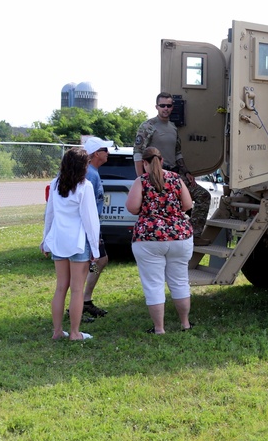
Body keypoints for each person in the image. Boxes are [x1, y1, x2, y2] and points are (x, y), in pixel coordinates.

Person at [126, 146, 195, 334]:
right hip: (179, 236)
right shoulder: (175, 179)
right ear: (162, 160)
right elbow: (187, 205)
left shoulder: (141, 181)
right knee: (180, 281)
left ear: (144, 163)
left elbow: (132, 208)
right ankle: (185, 324)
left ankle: (159, 328)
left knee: (154, 284)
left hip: (149, 238)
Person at [134, 92, 212, 239]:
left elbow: (178, 153)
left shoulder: (173, 128)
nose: (165, 108)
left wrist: (186, 172)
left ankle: (193, 235)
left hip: (174, 174)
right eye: (162, 105)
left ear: (172, 107)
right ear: (156, 107)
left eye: (169, 105)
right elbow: (138, 153)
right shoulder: (148, 126)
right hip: (155, 176)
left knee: (203, 196)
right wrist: (142, 179)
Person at [41, 147, 100, 341]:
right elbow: (90, 220)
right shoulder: (85, 186)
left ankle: (57, 331)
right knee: (76, 289)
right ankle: (75, 333)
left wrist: (45, 240)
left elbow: (49, 214)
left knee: (60, 288)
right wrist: (95, 249)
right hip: (78, 243)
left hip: (58, 241)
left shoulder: (55, 184)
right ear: (83, 166)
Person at [81, 136, 115, 320]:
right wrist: (93, 234)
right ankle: (79, 304)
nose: (108, 153)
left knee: (99, 262)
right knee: (93, 263)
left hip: (92, 227)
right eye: (105, 150)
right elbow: (87, 206)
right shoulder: (90, 174)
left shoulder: (92, 172)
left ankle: (85, 300)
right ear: (96, 154)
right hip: (87, 228)